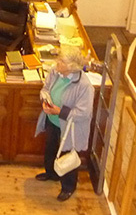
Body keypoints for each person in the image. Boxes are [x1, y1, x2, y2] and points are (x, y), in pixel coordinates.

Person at [34, 46, 94, 202]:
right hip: (53, 121)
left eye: (61, 61)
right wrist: (45, 99)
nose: (56, 63)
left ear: (71, 66)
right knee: (51, 149)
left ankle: (68, 187)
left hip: (70, 128)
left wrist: (59, 111)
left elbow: (83, 113)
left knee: (68, 157)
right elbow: (45, 88)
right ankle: (51, 173)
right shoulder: (55, 72)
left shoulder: (84, 86)